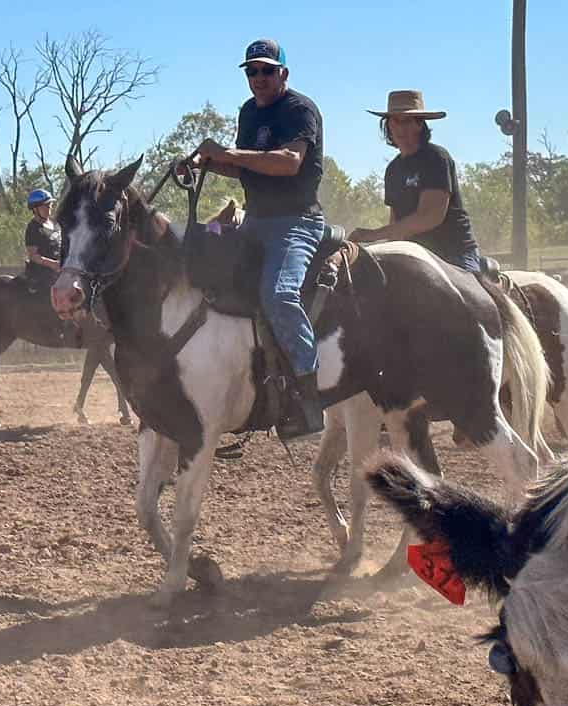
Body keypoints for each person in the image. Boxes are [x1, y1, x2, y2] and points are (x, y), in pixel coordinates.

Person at [195, 38, 326, 438]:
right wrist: (206, 165)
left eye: (267, 70)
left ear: (283, 73)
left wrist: (230, 154)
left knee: (279, 295)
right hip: (254, 222)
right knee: (209, 277)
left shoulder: (299, 110)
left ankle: (308, 398)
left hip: (296, 223)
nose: (259, 78)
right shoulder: (249, 112)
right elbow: (248, 170)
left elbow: (288, 164)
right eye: (252, 71)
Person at [348, 91, 481, 273]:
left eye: (407, 121)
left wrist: (373, 235)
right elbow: (396, 221)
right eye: (395, 120)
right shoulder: (393, 170)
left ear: (419, 124)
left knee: (469, 299)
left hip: (454, 254)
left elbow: (430, 216)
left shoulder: (436, 158)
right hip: (415, 257)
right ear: (388, 125)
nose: (401, 128)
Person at [23, 189, 62, 293]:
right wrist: (53, 264)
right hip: (42, 275)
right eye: (45, 205)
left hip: (60, 270)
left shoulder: (55, 224)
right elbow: (33, 256)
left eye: (50, 205)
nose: (49, 208)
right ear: (35, 209)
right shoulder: (33, 228)